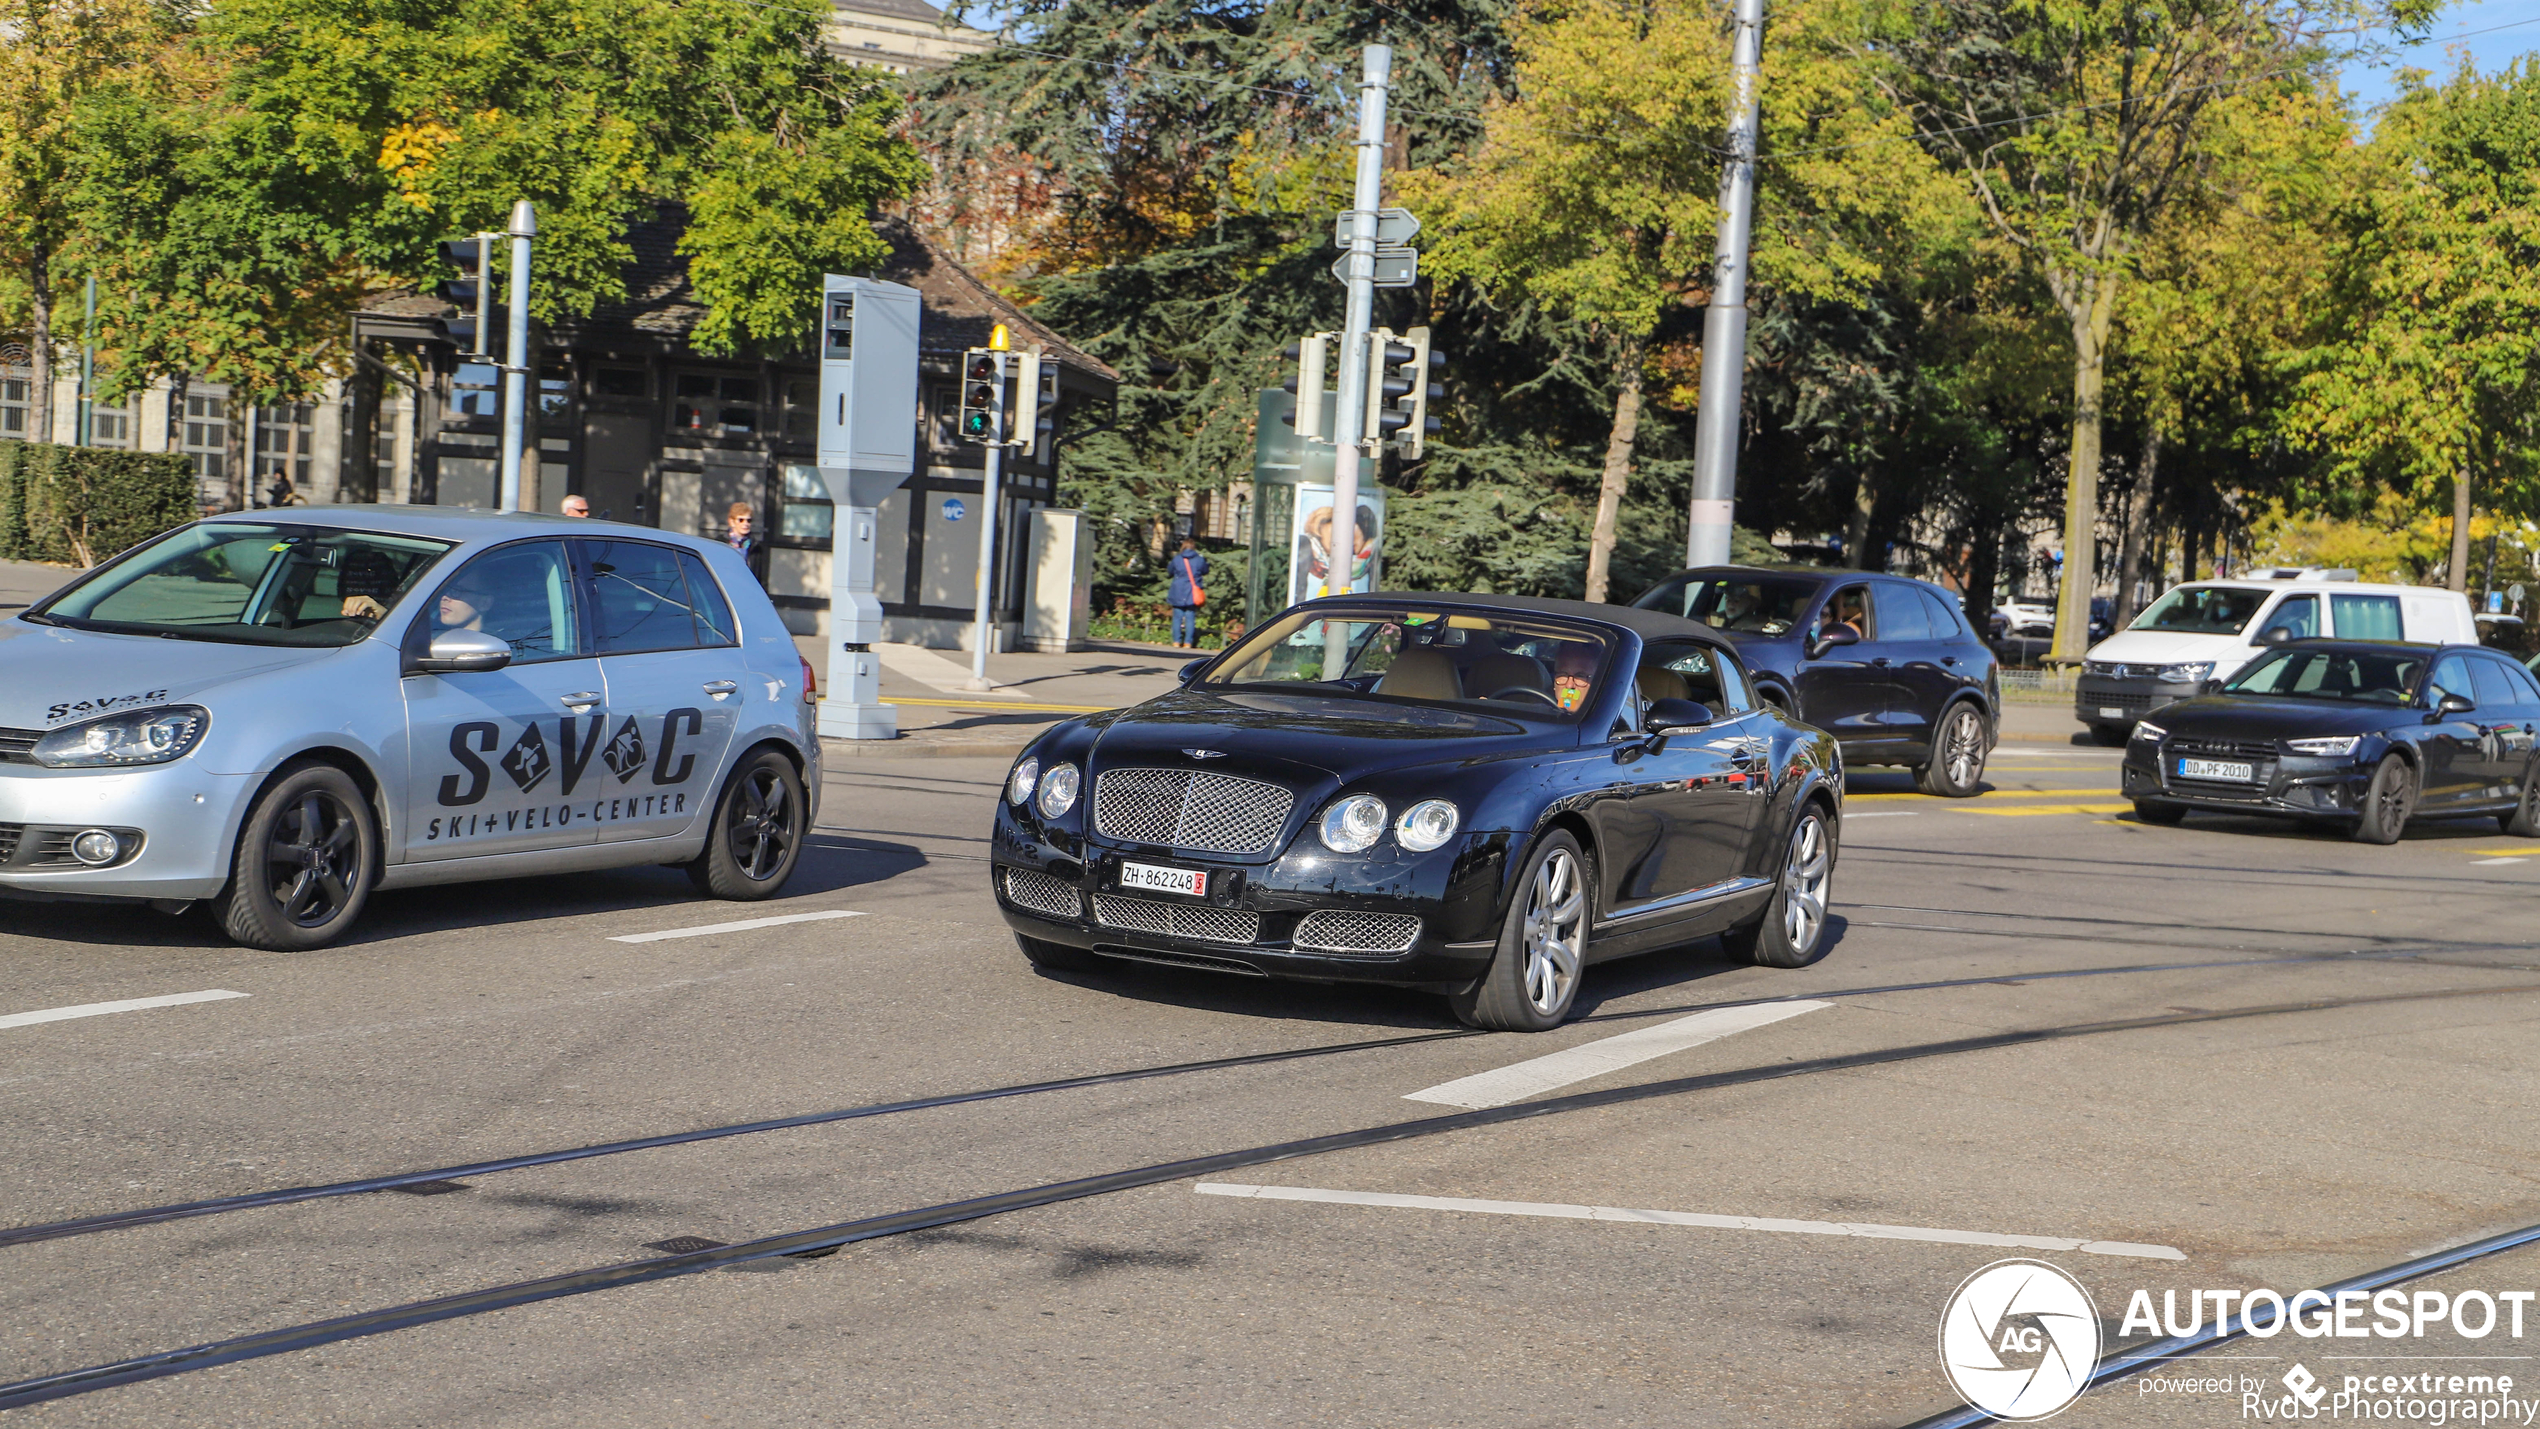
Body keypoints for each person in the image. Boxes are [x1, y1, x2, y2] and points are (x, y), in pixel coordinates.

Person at [1167, 535, 1209, 648]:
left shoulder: (1177, 558)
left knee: (1177, 617)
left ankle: (1176, 641)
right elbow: (1205, 570)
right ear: (1194, 547)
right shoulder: (1199, 559)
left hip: (1178, 590)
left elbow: (1169, 571)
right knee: (1190, 617)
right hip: (1192, 591)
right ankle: (1188, 643)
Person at [725, 502, 766, 587]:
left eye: (749, 520)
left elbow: (761, 578)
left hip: (746, 588)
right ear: (732, 522)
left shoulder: (756, 547)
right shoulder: (721, 543)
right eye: (741, 520)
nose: (745, 524)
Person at [1551, 642, 1599, 713]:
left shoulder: (1605, 719)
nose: (1569, 685)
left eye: (1580, 676)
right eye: (1563, 675)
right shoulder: (1536, 713)